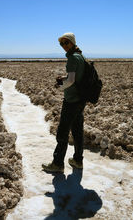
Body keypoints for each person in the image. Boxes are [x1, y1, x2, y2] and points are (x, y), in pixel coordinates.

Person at [42, 32, 87, 173]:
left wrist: (60, 86)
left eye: (66, 43)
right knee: (78, 131)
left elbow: (71, 81)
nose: (64, 46)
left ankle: (57, 163)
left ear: (72, 42)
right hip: (80, 100)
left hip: (72, 100)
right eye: (62, 44)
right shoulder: (81, 57)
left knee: (62, 132)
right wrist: (65, 77)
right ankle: (78, 161)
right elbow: (75, 76)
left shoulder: (73, 58)